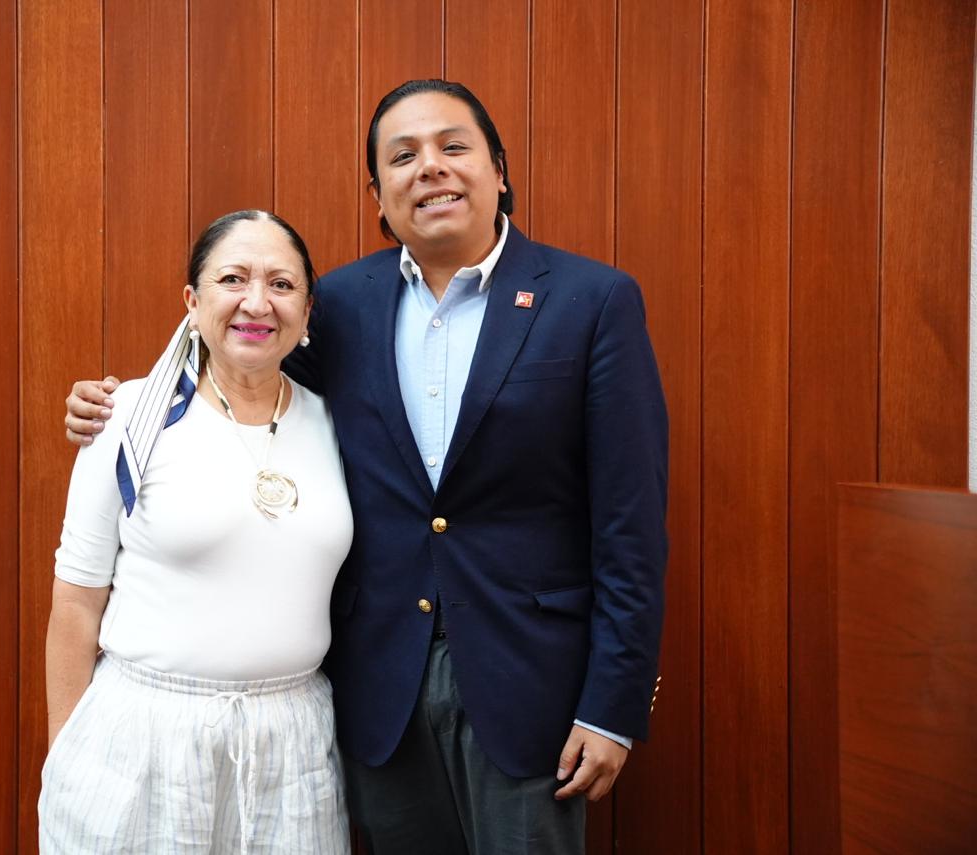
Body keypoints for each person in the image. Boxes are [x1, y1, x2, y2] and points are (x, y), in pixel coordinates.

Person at [65, 80, 668, 855]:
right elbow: (242, 361)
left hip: (530, 687)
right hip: (380, 686)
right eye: (403, 156)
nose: (431, 167)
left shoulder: (592, 300)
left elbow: (630, 525)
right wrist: (124, 401)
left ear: (498, 169)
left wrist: (612, 704)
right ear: (379, 196)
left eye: (453, 146)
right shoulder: (343, 303)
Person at [40, 210, 354, 854]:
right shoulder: (127, 417)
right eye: (232, 279)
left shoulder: (339, 424)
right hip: (145, 737)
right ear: (192, 301)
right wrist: (66, 758)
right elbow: (75, 602)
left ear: (306, 311)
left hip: (293, 744)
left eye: (282, 284)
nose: (256, 303)